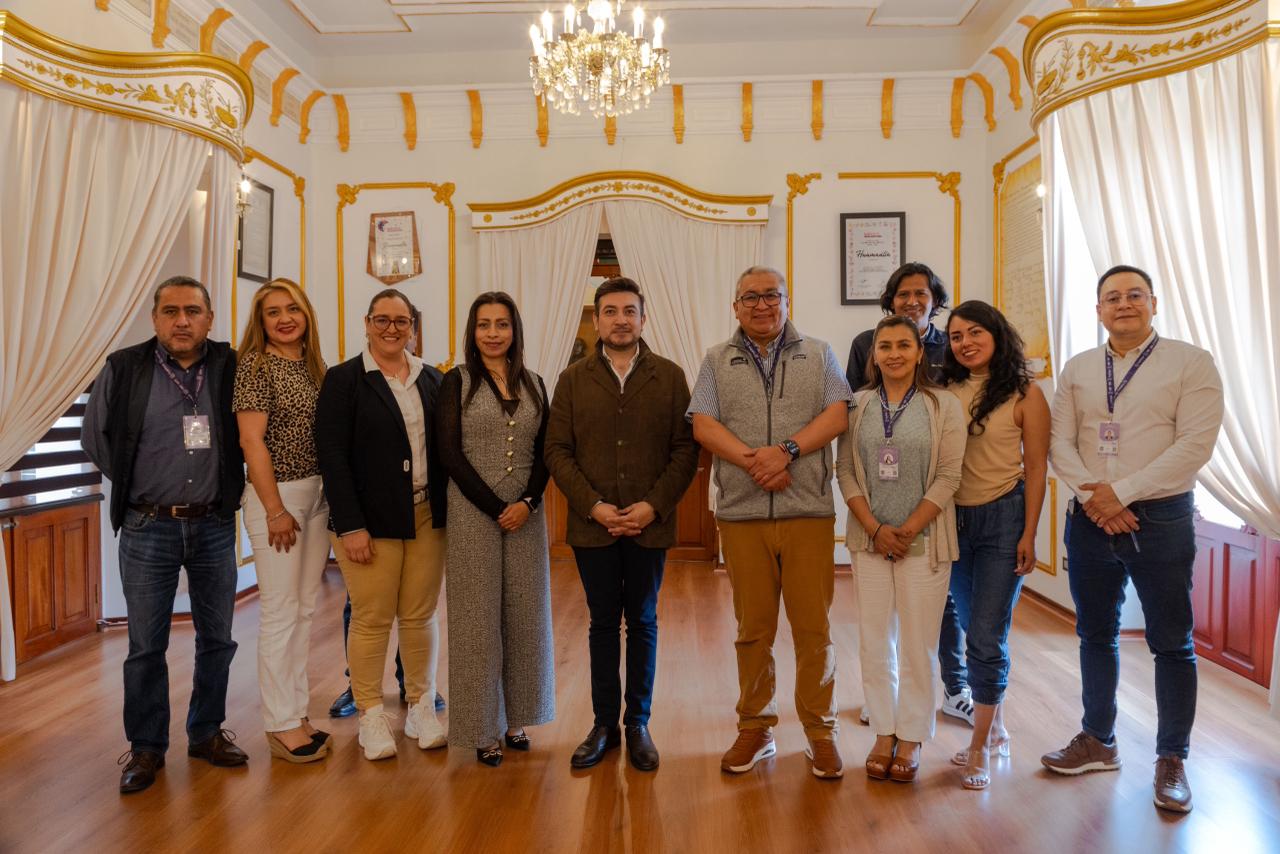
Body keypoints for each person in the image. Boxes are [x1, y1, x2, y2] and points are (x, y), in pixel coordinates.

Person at [1041, 265, 1223, 814]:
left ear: (1154, 303)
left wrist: (1121, 492)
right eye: (1112, 297)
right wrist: (1097, 495)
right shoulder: (1078, 368)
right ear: (1098, 310)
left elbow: (1195, 445)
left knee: (1171, 640)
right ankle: (1098, 739)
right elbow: (1059, 441)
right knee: (1095, 633)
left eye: (1134, 295)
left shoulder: (1191, 363)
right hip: (1090, 516)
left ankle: (1172, 759)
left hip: (1161, 517)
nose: (1123, 304)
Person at [83, 275, 248, 794]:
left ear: (209, 319)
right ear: (154, 318)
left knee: (217, 639)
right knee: (145, 645)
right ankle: (147, 748)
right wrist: (138, 482)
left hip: (214, 525)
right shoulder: (125, 367)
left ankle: (205, 733)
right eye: (171, 311)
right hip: (147, 524)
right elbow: (95, 436)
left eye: (193, 311)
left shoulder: (229, 365)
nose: (182, 321)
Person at [689, 266, 851, 779]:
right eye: (750, 297)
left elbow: (838, 413)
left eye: (771, 296)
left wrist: (785, 452)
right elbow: (703, 423)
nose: (762, 305)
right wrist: (753, 461)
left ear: (786, 300)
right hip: (742, 514)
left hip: (808, 512)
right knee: (752, 629)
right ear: (735, 306)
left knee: (814, 629)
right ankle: (755, 726)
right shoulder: (717, 358)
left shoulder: (819, 353)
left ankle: (820, 732)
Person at [545, 277, 699, 772]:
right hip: (594, 527)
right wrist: (594, 506)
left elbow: (685, 449)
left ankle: (639, 724)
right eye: (610, 311)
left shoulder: (672, 377)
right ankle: (603, 724)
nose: (619, 320)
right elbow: (557, 451)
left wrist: (653, 506)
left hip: (649, 526)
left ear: (643, 318)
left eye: (629, 311)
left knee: (645, 621)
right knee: (602, 623)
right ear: (596, 321)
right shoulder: (571, 380)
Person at [315, 288, 448, 761]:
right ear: (367, 323)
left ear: (413, 325)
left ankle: (419, 706)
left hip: (427, 515)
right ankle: (371, 713)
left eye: (401, 321)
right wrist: (350, 524)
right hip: (368, 520)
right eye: (382, 320)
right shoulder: (344, 379)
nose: (392, 329)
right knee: (372, 618)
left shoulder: (433, 379)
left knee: (420, 615)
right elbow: (331, 455)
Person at [835, 315, 965, 783]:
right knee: (874, 640)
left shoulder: (943, 405)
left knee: (918, 644)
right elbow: (844, 470)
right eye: (884, 346)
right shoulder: (859, 404)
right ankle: (883, 731)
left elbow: (950, 475)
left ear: (919, 352)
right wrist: (874, 528)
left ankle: (910, 736)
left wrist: (906, 529)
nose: (893, 353)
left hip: (925, 542)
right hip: (870, 542)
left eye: (903, 345)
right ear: (874, 354)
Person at [438, 292, 554, 766]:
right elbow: (449, 452)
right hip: (471, 511)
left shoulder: (537, 383)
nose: (492, 333)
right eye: (483, 324)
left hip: (527, 514)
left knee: (526, 616)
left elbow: (548, 450)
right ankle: (481, 728)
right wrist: (494, 505)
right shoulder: (456, 382)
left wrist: (527, 501)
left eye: (501, 324)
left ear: (514, 330)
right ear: (473, 331)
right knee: (476, 623)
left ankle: (517, 718)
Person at [940, 301, 1050, 789]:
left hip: (1004, 519)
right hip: (952, 520)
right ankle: (996, 725)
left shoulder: (1026, 394)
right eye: (956, 335)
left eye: (974, 332)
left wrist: (1029, 534)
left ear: (997, 334)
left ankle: (980, 745)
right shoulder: (942, 389)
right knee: (972, 625)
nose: (965, 342)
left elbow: (1038, 470)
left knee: (985, 634)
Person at [233, 278, 331, 763]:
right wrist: (274, 510)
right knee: (278, 613)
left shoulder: (315, 366)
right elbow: (252, 442)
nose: (284, 318)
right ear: (262, 321)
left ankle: (297, 712)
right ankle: (279, 722)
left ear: (306, 313)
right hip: (279, 499)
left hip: (318, 495)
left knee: (305, 609)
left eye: (292, 308)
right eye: (273, 312)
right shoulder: (254, 364)